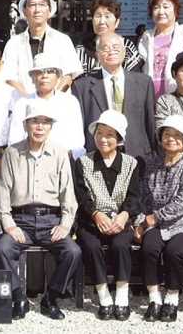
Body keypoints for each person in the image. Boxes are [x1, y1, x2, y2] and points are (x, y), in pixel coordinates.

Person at [0, 100, 81, 321]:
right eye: (35, 121)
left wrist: (65, 224)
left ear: (51, 127)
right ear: (26, 125)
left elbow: (68, 194)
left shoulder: (60, 153)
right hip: (20, 220)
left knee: (73, 252)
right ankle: (18, 297)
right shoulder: (12, 153)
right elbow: (3, 192)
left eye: (45, 122)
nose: (40, 127)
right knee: (2, 249)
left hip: (51, 221)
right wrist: (9, 224)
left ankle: (51, 298)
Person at [133, 115, 183, 323]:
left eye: (177, 135)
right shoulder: (152, 164)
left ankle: (172, 298)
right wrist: (140, 222)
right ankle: (154, 299)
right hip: (156, 222)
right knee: (149, 249)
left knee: (175, 252)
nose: (171, 139)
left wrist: (152, 219)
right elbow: (143, 198)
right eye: (166, 134)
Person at [72, 110, 142, 321]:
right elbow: (81, 195)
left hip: (121, 219)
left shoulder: (131, 164)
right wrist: (96, 214)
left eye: (110, 134)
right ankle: (103, 296)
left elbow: (134, 196)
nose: (103, 139)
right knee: (91, 246)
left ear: (119, 139)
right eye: (99, 133)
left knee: (121, 245)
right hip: (91, 220)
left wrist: (124, 215)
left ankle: (121, 295)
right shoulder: (83, 162)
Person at [72, 32, 157, 160]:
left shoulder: (144, 82)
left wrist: (155, 154)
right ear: (97, 54)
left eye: (116, 47)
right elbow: (78, 127)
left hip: (137, 155)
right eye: (105, 48)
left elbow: (150, 122)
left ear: (124, 52)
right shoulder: (82, 86)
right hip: (97, 155)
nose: (111, 51)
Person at [0, 0, 82, 95]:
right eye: (32, 5)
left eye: (42, 5)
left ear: (49, 10)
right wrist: (29, 100)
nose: (37, 10)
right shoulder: (13, 44)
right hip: (22, 102)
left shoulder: (62, 40)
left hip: (58, 102)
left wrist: (51, 99)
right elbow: (9, 78)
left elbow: (68, 75)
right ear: (24, 11)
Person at [8, 53, 85, 155]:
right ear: (32, 78)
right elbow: (14, 140)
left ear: (58, 77)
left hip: (65, 158)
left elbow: (77, 140)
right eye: (39, 72)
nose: (45, 76)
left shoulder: (70, 102)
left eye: (50, 71)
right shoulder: (22, 103)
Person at [137, 0, 183, 99]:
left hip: (180, 97)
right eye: (156, 7)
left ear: (175, 10)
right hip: (149, 97)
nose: (161, 11)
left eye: (166, 7)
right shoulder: (146, 38)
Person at [74, 0, 144, 74]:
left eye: (107, 16)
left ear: (117, 22)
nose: (102, 21)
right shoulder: (81, 49)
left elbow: (134, 77)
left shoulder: (127, 47)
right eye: (98, 16)